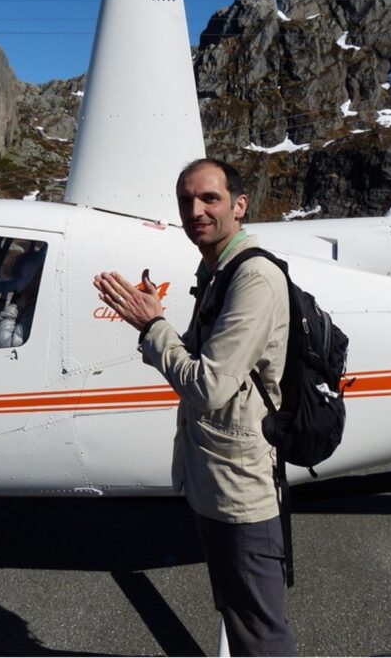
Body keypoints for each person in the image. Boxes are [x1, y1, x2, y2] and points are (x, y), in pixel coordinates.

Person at [94, 158, 296, 656]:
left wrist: (151, 326)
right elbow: (207, 361)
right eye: (187, 201)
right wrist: (159, 322)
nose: (196, 210)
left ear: (239, 205)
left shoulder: (253, 278)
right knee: (240, 615)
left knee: (259, 630)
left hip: (241, 487)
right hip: (214, 478)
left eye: (209, 198)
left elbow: (206, 386)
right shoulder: (217, 271)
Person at [0, 243, 46, 348]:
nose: (23, 283)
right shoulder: (29, 301)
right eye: (20, 276)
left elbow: (5, 348)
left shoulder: (34, 310)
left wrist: (15, 309)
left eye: (29, 277)